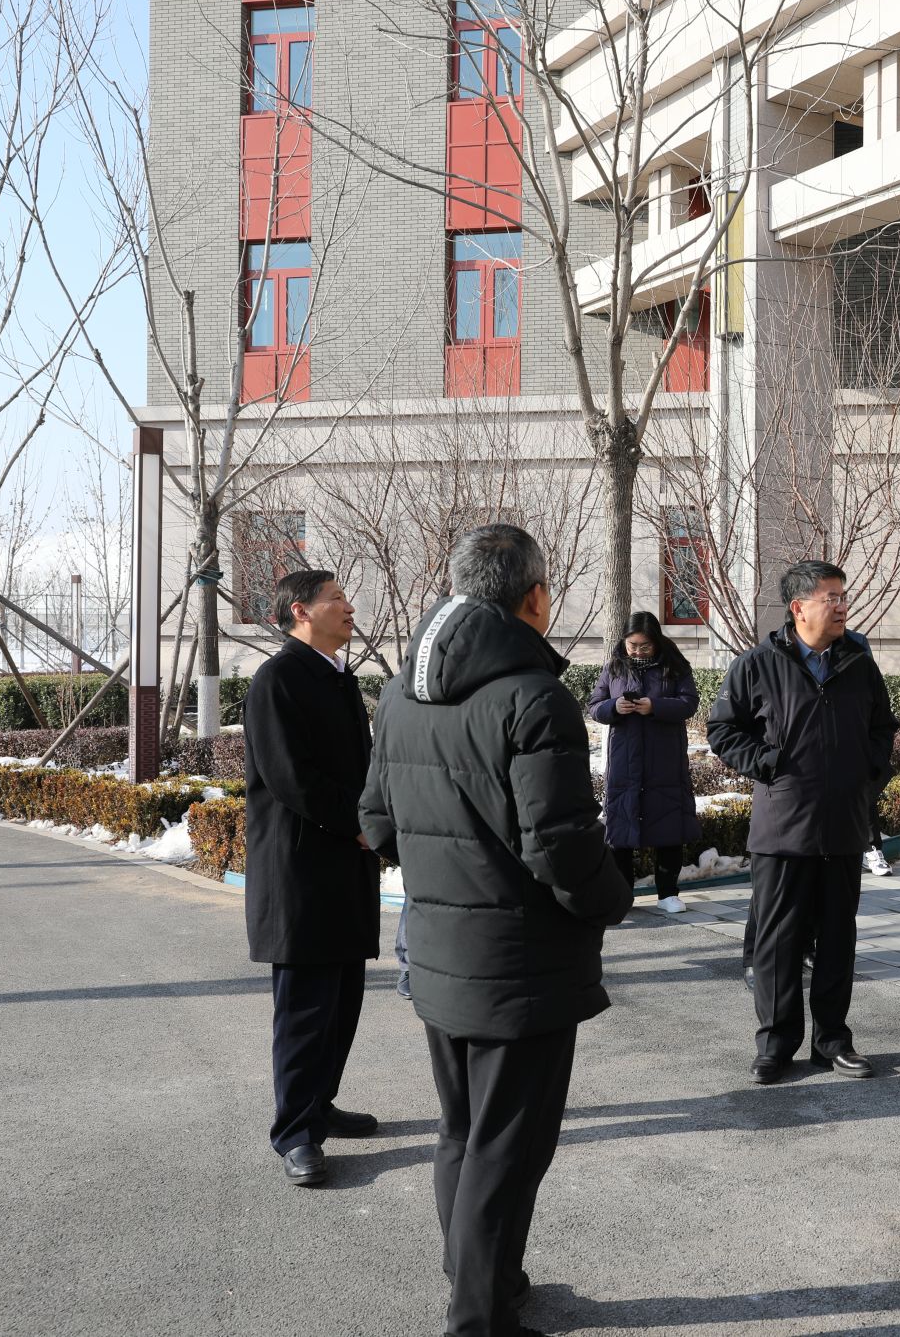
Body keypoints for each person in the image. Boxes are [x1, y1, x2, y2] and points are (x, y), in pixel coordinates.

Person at [359, 524, 631, 1337]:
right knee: (508, 1145)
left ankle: (485, 1279)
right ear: (534, 597)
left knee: (463, 1132)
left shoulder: (400, 692)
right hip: (520, 962)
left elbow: (377, 821)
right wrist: (611, 897)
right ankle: (476, 1317)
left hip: (438, 948)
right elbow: (562, 847)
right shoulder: (534, 697)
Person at [708, 560, 898, 1085]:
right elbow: (723, 731)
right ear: (799, 608)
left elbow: (882, 728)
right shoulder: (756, 664)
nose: (841, 606)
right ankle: (775, 1044)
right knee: (777, 944)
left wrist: (867, 776)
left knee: (837, 940)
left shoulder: (858, 662)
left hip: (843, 826)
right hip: (782, 829)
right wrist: (769, 764)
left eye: (843, 596)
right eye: (830, 597)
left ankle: (832, 1042)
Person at [242, 568, 381, 1188]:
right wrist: (359, 822)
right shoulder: (278, 680)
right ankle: (295, 1133)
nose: (349, 607)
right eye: (336, 598)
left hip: (345, 863)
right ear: (300, 611)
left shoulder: (337, 676)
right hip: (300, 869)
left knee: (342, 999)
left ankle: (320, 1104)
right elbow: (290, 777)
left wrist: (375, 818)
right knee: (304, 1009)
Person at [587, 612, 702, 916]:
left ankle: (668, 892)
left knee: (668, 825)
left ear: (657, 642)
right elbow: (594, 706)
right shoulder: (613, 667)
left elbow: (689, 702)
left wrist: (655, 706)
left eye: (644, 646)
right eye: (632, 645)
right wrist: (615, 706)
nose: (637, 651)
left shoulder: (674, 666)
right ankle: (623, 895)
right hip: (624, 759)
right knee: (621, 829)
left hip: (664, 759)